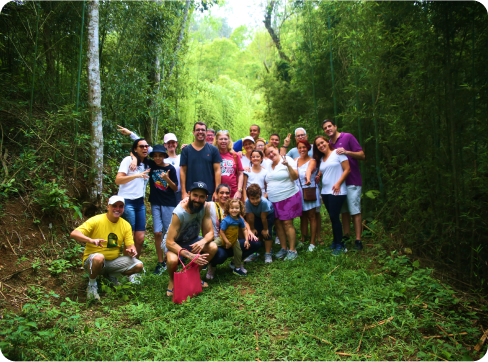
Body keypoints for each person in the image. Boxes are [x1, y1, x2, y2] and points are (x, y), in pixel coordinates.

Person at [70, 196, 144, 300]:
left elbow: (131, 246)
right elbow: (74, 233)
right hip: (93, 260)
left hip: (112, 261)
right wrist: (90, 240)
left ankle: (110, 275)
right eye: (114, 206)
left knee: (138, 265)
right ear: (108, 207)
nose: (117, 209)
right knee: (99, 258)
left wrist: (132, 251)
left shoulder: (125, 225)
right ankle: (92, 285)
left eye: (121, 206)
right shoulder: (96, 220)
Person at [163, 182, 218, 297]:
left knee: (212, 247)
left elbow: (210, 233)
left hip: (192, 240)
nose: (197, 199)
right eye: (195, 195)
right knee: (172, 260)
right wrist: (190, 255)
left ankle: (194, 277)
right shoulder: (180, 212)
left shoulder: (205, 207)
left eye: (201, 196)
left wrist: (203, 242)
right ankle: (173, 280)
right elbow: (169, 242)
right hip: (175, 243)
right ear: (189, 194)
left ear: (206, 198)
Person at [322, 119, 365, 250]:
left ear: (335, 126)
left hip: (352, 180)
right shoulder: (328, 144)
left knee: (354, 210)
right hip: (338, 184)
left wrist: (347, 152)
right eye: (325, 128)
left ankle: (358, 240)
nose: (328, 129)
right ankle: (346, 236)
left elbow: (362, 155)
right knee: (343, 211)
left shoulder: (347, 137)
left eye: (330, 126)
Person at [204, 184, 260, 279]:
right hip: (219, 241)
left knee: (255, 243)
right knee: (221, 256)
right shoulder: (210, 205)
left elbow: (243, 222)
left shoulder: (233, 207)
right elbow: (199, 201)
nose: (224, 195)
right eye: (221, 193)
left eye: (227, 193)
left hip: (233, 241)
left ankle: (236, 263)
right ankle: (212, 266)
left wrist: (249, 231)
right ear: (216, 194)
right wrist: (185, 199)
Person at [313, 135, 351, 256]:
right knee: (332, 218)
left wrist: (339, 183)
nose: (321, 145)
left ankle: (340, 245)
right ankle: (335, 242)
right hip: (325, 191)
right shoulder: (323, 158)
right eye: (318, 145)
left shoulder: (338, 153)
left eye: (322, 142)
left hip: (337, 191)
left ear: (327, 142)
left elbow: (347, 169)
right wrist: (319, 176)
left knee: (335, 217)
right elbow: (323, 170)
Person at [115, 138, 150, 261]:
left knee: (140, 238)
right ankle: (126, 268)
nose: (145, 148)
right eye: (141, 146)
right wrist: (136, 175)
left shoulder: (147, 164)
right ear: (135, 149)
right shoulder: (128, 160)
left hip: (140, 203)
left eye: (146, 146)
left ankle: (134, 265)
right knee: (130, 237)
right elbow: (118, 180)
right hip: (127, 201)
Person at [264, 145, 302, 261]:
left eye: (272, 151)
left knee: (287, 223)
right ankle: (283, 248)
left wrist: (288, 166)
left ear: (277, 149)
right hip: (273, 199)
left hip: (288, 196)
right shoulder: (268, 164)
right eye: (268, 154)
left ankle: (292, 250)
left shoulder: (287, 159)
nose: (271, 155)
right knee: (278, 224)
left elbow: (295, 177)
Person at [146, 145, 178, 275]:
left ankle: (170, 257)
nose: (157, 158)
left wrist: (166, 179)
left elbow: (175, 188)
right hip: (155, 203)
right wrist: (132, 158)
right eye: (155, 155)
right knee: (157, 233)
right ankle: (160, 262)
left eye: (160, 155)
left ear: (165, 156)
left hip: (168, 203)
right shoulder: (151, 165)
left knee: (168, 231)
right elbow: (138, 152)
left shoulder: (170, 168)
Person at [180, 122, 222, 201]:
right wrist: (183, 192)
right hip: (191, 193)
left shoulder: (213, 150)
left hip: (209, 193)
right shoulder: (186, 150)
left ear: (206, 133)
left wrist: (217, 191)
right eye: (198, 130)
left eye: (203, 130)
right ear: (193, 132)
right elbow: (183, 171)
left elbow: (217, 170)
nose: (200, 132)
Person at [294, 140, 321, 251]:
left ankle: (313, 242)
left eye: (304, 147)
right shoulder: (295, 160)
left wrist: (308, 179)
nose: (302, 150)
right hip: (299, 191)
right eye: (300, 148)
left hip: (309, 189)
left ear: (308, 148)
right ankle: (303, 239)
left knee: (311, 216)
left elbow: (308, 170)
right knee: (302, 217)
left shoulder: (312, 161)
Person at [245, 184, 275, 263]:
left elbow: (263, 218)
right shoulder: (247, 202)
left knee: (267, 233)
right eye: (252, 199)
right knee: (254, 233)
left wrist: (265, 229)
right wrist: (252, 228)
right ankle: (254, 253)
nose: (255, 201)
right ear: (248, 198)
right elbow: (250, 217)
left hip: (268, 215)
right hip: (257, 215)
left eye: (257, 198)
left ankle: (268, 253)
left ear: (261, 196)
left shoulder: (264, 202)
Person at [218, 199, 249, 276]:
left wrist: (247, 240)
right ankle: (209, 264)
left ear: (240, 209)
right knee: (212, 246)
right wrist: (227, 242)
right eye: (232, 208)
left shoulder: (240, 219)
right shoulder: (226, 220)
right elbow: (222, 232)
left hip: (234, 240)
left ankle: (237, 269)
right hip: (223, 239)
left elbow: (244, 229)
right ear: (228, 209)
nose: (234, 210)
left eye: (237, 208)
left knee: (239, 253)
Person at [213, 130, 244, 199]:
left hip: (233, 193)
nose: (223, 141)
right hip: (218, 193)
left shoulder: (235, 155)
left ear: (229, 141)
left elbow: (240, 174)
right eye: (221, 139)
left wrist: (239, 191)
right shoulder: (213, 155)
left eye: (225, 139)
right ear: (217, 141)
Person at [163, 133, 183, 204]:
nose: (171, 144)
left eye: (173, 142)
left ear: (176, 143)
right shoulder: (162, 160)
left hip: (181, 192)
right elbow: (148, 149)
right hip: (167, 193)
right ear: (164, 145)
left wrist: (187, 148)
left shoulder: (181, 157)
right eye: (168, 143)